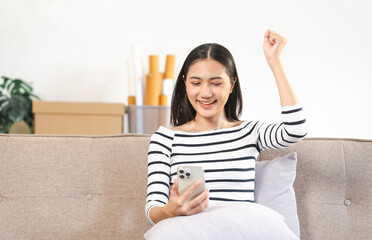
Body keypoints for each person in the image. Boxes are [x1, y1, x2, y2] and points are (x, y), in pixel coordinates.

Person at [145, 29, 307, 225]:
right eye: (196, 82)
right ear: (185, 84)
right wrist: (170, 210)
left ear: (231, 85)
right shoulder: (165, 139)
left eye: (216, 83)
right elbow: (152, 209)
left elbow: (295, 130)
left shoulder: (249, 132)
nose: (205, 93)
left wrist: (274, 62)